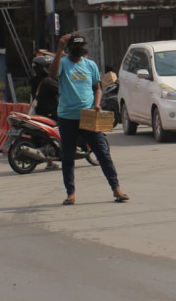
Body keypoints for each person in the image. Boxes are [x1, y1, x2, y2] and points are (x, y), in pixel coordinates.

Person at [49, 32, 129, 206]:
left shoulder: (90, 65)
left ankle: (116, 189)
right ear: (69, 48)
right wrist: (59, 49)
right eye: (74, 47)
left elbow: (97, 88)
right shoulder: (62, 63)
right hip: (67, 117)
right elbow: (52, 74)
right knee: (68, 156)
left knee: (102, 153)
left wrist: (97, 103)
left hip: (88, 116)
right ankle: (71, 193)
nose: (77, 49)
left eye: (80, 46)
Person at [30, 55, 60, 170]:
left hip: (39, 113)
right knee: (67, 125)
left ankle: (50, 162)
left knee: (48, 136)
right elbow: (62, 91)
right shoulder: (49, 81)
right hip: (50, 113)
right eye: (50, 66)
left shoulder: (34, 80)